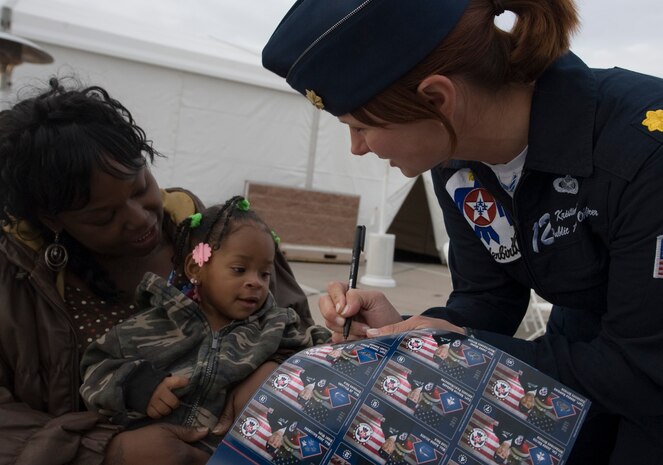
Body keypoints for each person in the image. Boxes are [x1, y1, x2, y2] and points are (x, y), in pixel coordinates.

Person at [261, 0, 663, 463]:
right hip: (585, 377)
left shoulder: (643, 154)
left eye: (360, 126)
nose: (356, 149)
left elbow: (643, 371)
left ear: (436, 99)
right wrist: (406, 331)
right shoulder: (456, 162)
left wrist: (457, 347)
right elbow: (488, 299)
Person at [0, 78, 314, 465]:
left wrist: (272, 369)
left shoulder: (220, 235)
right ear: (52, 219)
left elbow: (295, 327)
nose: (138, 219)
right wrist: (108, 451)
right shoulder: (15, 278)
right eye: (103, 216)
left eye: (139, 187)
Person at [79, 195, 330, 452]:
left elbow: (322, 352)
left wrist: (272, 370)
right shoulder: (151, 325)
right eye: (239, 269)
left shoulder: (274, 327)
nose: (256, 282)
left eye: (264, 273)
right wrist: (137, 385)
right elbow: (94, 368)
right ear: (195, 268)